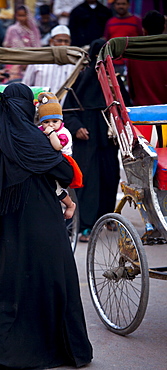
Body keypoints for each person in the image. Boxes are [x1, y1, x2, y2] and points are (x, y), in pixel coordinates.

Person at [0, 83, 93, 369]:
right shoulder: (38, 139)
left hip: (11, 223)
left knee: (9, 283)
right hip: (44, 219)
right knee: (54, 278)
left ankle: (1, 356)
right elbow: (65, 172)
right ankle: (65, 350)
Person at [63, 39, 122, 242]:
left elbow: (125, 107)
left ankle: (107, 217)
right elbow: (67, 109)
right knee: (87, 180)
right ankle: (86, 225)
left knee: (109, 177)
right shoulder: (81, 78)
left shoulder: (115, 79)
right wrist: (76, 127)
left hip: (108, 138)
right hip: (86, 138)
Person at [127, 10, 167, 142]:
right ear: (164, 28)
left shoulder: (133, 55)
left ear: (143, 30)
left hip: (142, 117)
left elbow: (131, 89)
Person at [38, 91, 77, 219]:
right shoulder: (41, 130)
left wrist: (50, 134)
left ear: (61, 120)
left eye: (55, 121)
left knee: (56, 187)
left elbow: (57, 146)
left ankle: (70, 204)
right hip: (48, 161)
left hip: (62, 163)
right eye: (46, 122)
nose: (51, 125)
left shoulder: (62, 133)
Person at [22, 25, 75, 100]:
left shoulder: (73, 64)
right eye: (59, 41)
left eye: (66, 41)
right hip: (39, 106)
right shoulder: (38, 60)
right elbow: (26, 85)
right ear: (51, 41)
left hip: (64, 108)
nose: (63, 44)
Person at [2, 5, 41, 83]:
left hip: (32, 62)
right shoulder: (12, 29)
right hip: (15, 63)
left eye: (23, 15)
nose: (21, 18)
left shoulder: (34, 30)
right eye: (19, 16)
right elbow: (7, 46)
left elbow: (38, 47)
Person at [103, 0, 142, 75]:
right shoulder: (110, 22)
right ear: (114, 6)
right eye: (118, 4)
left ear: (129, 5)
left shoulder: (137, 21)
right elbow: (106, 41)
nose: (121, 6)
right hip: (114, 64)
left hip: (133, 63)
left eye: (123, 4)